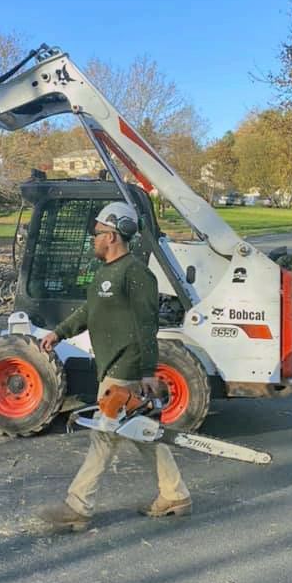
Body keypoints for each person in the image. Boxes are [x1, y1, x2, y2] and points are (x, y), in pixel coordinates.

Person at [38, 201, 191, 530]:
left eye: (97, 233)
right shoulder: (104, 273)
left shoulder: (136, 274)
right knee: (145, 435)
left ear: (113, 236)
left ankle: (77, 507)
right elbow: (88, 312)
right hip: (110, 366)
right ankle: (175, 494)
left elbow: (146, 325)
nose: (93, 238)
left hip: (126, 369)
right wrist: (59, 333)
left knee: (104, 437)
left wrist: (147, 371)